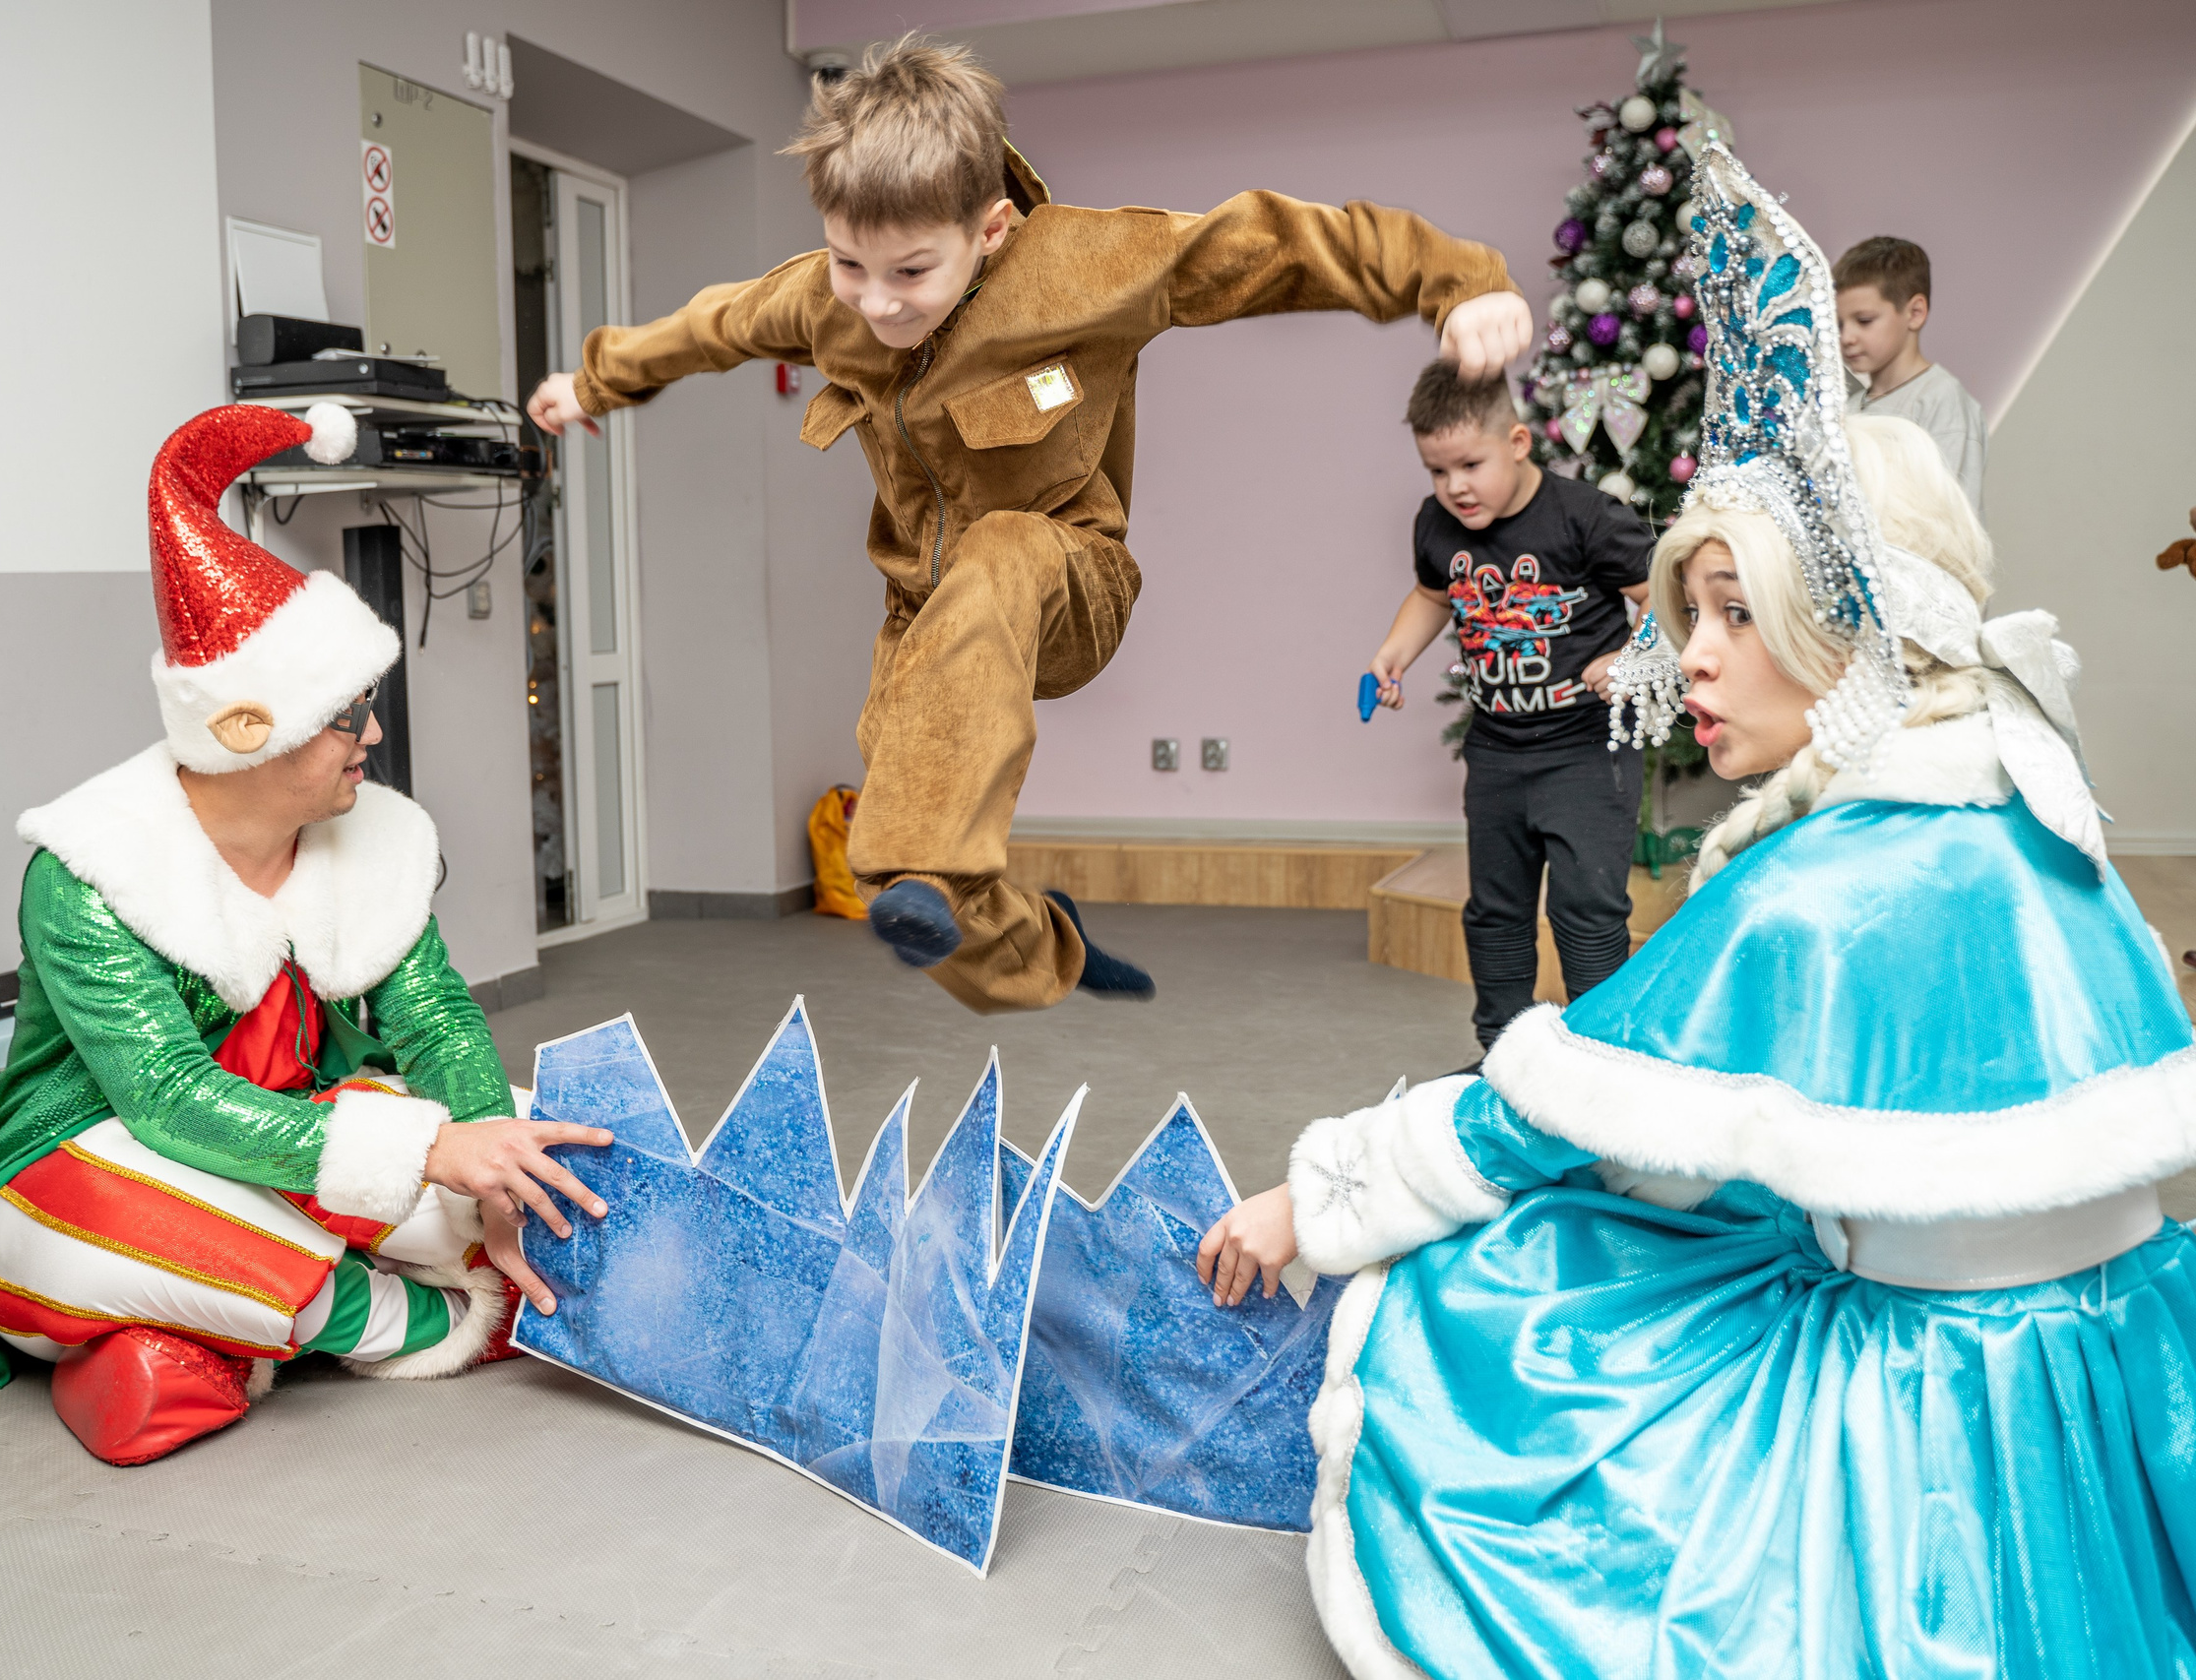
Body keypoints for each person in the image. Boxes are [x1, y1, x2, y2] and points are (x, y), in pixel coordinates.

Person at [1198, 146, 2196, 1677]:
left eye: (1740, 612)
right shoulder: (2038, 808)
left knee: (1510, 1286)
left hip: (1928, 1427)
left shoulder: (1821, 888)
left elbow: (1528, 1119)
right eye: (1688, 614)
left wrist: (1309, 1203)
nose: (1695, 660)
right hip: (2117, 1378)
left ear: (1851, 627)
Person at [524, 34, 1531, 1015]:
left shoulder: (1086, 265)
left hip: (1066, 577)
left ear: (992, 229)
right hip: (925, 615)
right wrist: (594, 382)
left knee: (990, 582)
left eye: (912, 272)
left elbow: (1272, 242)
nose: (876, 304)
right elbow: (711, 325)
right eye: (848, 266)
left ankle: (932, 855)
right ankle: (1043, 949)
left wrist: (1457, 282)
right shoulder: (825, 301)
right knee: (909, 889)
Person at [0, 404, 613, 1466]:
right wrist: (427, 1156)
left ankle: (187, 1345)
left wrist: (481, 1154)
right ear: (245, 733)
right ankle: (402, 1317)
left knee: (547, 1169)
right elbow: (167, 1101)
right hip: (89, 1161)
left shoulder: (374, 836)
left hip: (296, 1138)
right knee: (150, 1225)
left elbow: (432, 1014)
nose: (372, 735)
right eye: (344, 715)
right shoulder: (91, 871)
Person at [1366, 362, 1654, 1053]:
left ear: (1518, 442)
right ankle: (1503, 1048)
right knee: (1495, 910)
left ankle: (1598, 1051)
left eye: (1470, 463)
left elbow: (1663, 595)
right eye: (1438, 471)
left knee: (1586, 906)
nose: (1454, 486)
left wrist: (1637, 659)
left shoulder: (1585, 517)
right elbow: (1435, 593)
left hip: (1588, 748)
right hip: (1496, 749)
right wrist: (1395, 650)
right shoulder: (1437, 524)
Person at [1838, 235, 1987, 511]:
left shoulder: (1942, 402)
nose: (1846, 337)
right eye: (1839, 324)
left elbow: (1953, 522)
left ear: (1915, 313)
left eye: (1864, 321)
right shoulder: (1846, 409)